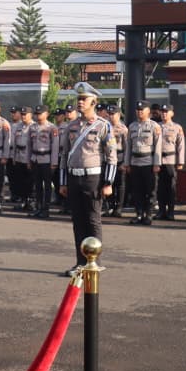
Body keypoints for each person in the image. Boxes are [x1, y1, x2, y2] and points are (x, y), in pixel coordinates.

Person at [57, 82, 115, 275]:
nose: (80, 102)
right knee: (78, 221)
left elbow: (111, 156)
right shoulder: (71, 126)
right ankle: (80, 262)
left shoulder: (103, 126)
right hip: (74, 178)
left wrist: (108, 182)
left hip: (93, 178)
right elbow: (65, 155)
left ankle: (95, 261)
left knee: (92, 220)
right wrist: (63, 182)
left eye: (84, 99)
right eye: (78, 99)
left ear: (94, 101)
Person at [124, 101, 162, 226]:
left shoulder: (154, 126)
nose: (139, 112)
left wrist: (157, 164)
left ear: (148, 112)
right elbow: (128, 146)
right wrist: (127, 163)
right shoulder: (132, 126)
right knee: (137, 190)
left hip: (148, 162)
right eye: (138, 110)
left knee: (150, 190)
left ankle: (148, 214)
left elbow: (158, 146)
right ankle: (139, 214)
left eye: (142, 110)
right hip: (135, 162)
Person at [156, 105, 185, 221]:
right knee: (160, 188)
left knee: (171, 187)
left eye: (166, 112)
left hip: (171, 161)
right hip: (158, 161)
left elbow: (181, 145)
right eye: (162, 112)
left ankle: (171, 212)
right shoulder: (156, 126)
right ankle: (161, 211)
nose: (164, 114)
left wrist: (180, 161)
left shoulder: (177, 128)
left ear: (172, 113)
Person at [29, 106, 59, 219]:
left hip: (46, 160)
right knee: (37, 185)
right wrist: (29, 160)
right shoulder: (32, 127)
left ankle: (45, 209)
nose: (38, 115)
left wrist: (54, 163)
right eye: (36, 113)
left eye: (40, 113)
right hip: (35, 159)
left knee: (47, 186)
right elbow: (29, 145)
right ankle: (38, 207)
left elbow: (55, 147)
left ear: (46, 114)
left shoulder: (52, 128)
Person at [104, 106, 128, 217]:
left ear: (118, 115)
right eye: (109, 113)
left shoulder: (123, 129)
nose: (110, 116)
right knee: (108, 183)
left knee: (120, 185)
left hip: (119, 158)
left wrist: (125, 163)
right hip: (107, 159)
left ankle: (118, 208)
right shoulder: (105, 127)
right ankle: (109, 206)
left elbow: (127, 147)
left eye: (112, 114)